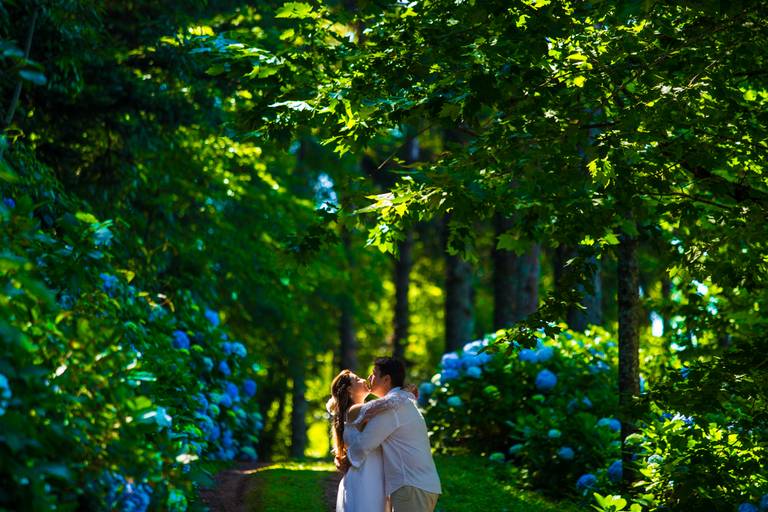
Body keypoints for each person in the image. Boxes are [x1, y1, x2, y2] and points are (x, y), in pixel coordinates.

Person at [346, 357, 442, 512]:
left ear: (386, 379)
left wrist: (345, 459)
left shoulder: (392, 406)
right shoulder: (401, 401)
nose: (369, 378)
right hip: (417, 485)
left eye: (374, 374)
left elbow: (364, 444)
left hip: (411, 486)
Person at [327, 370, 389, 512]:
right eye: (358, 379)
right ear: (349, 389)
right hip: (364, 480)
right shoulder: (353, 410)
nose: (363, 380)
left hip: (369, 477)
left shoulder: (355, 413)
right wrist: (402, 392)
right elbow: (387, 404)